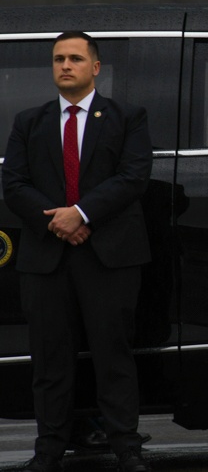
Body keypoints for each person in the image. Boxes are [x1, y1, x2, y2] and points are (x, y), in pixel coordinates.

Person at [2, 32, 153, 472]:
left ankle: (127, 447)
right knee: (50, 360)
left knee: (114, 356)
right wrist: (59, 222)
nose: (65, 65)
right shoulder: (29, 121)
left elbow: (134, 176)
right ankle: (48, 450)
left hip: (109, 257)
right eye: (58, 59)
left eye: (74, 58)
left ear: (96, 67)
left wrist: (82, 214)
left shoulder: (127, 117)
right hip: (46, 259)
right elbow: (13, 184)